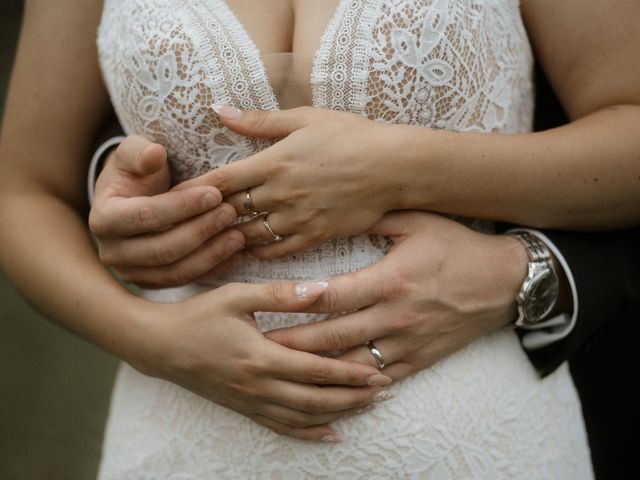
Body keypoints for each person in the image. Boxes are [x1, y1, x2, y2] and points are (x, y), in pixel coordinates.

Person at [0, 0, 638, 478]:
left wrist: (399, 170)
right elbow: (22, 189)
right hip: (181, 437)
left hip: (472, 439)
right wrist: (150, 339)